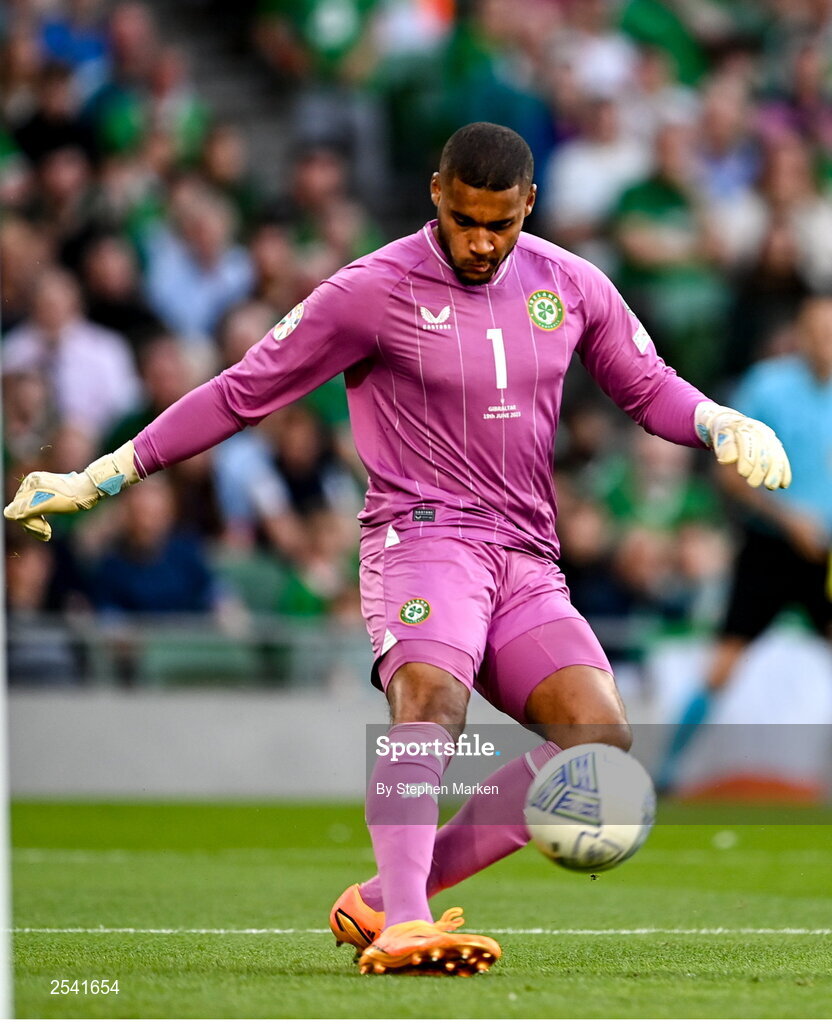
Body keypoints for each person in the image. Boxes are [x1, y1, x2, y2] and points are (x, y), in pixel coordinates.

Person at [5, 122, 791, 977]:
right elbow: (242, 393)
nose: (482, 242)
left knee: (599, 738)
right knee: (429, 704)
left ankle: (383, 897)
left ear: (530, 205)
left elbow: (646, 385)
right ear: (435, 196)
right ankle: (408, 923)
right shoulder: (371, 290)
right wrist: (105, 474)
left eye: (502, 223)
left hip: (525, 555)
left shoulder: (571, 284)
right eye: (464, 220)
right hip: (421, 538)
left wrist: (720, 419)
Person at [657, 294, 832, 792]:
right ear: (798, 335)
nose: (826, 341)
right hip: (771, 547)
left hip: (827, 555)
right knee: (723, 666)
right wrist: (788, 516)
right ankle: (666, 773)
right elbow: (729, 475)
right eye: (817, 330)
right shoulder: (767, 387)